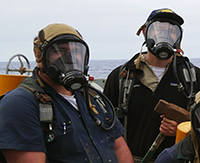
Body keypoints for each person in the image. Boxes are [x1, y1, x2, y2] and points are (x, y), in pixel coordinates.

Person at [0, 23, 133, 163]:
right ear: (39, 56)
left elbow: (119, 148)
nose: (70, 57)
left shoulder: (93, 98)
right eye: (60, 50)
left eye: (76, 51)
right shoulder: (19, 104)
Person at [105, 8, 200, 162]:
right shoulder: (122, 77)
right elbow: (106, 126)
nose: (165, 35)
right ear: (145, 32)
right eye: (159, 29)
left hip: (179, 159)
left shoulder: (192, 76)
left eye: (172, 31)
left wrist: (182, 129)